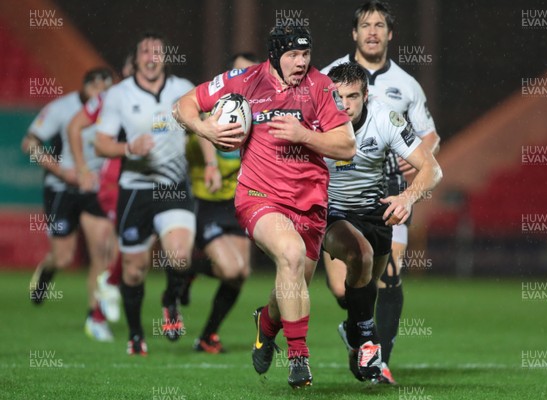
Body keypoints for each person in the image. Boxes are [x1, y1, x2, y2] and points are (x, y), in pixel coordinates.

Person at [173, 26, 355, 388]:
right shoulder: (244, 80)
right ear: (273, 55)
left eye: (305, 54)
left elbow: (346, 146)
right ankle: (299, 359)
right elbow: (183, 105)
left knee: (292, 283)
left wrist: (303, 135)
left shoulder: (322, 87)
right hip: (259, 196)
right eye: (292, 55)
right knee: (289, 253)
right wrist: (205, 129)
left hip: (310, 204)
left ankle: (266, 324)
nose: (301, 62)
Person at [321, 0, 441, 383]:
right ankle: (356, 327)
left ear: (390, 34)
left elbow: (430, 136)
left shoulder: (406, 85)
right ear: (354, 33)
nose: (372, 31)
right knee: (345, 287)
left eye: (379, 25)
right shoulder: (327, 78)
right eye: (365, 24)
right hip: (333, 197)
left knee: (387, 276)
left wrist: (417, 160)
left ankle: (378, 360)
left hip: (386, 193)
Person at [94, 32, 196, 355]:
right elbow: (100, 142)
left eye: (157, 52)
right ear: (135, 58)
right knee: (134, 269)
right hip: (136, 190)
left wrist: (208, 160)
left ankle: (170, 299)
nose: (151, 58)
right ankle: (136, 334)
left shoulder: (183, 89)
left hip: (174, 186)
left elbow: (202, 125)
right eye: (145, 52)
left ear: (165, 57)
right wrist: (127, 147)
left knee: (179, 257)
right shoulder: (119, 95)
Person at [173, 52, 259, 353]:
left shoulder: (259, 111)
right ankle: (185, 270)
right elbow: (196, 130)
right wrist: (210, 164)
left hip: (238, 203)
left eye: (249, 72)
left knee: (239, 274)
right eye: (237, 72)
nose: (242, 78)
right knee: (231, 269)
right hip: (206, 202)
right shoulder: (216, 102)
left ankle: (208, 335)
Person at [23, 68, 115, 342]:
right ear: (85, 86)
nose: (100, 91)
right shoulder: (62, 108)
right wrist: (62, 171)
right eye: (96, 85)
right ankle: (47, 270)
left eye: (105, 87)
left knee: (102, 251)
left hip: (94, 189)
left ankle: (94, 316)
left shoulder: (113, 110)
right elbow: (29, 143)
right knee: (64, 257)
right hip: (62, 187)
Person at [66, 53, 135, 323]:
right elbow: (75, 126)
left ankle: (107, 301)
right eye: (134, 64)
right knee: (105, 248)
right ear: (127, 68)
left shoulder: (163, 96)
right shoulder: (111, 97)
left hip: (148, 182)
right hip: (113, 180)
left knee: (130, 248)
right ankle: (95, 314)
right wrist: (83, 169)